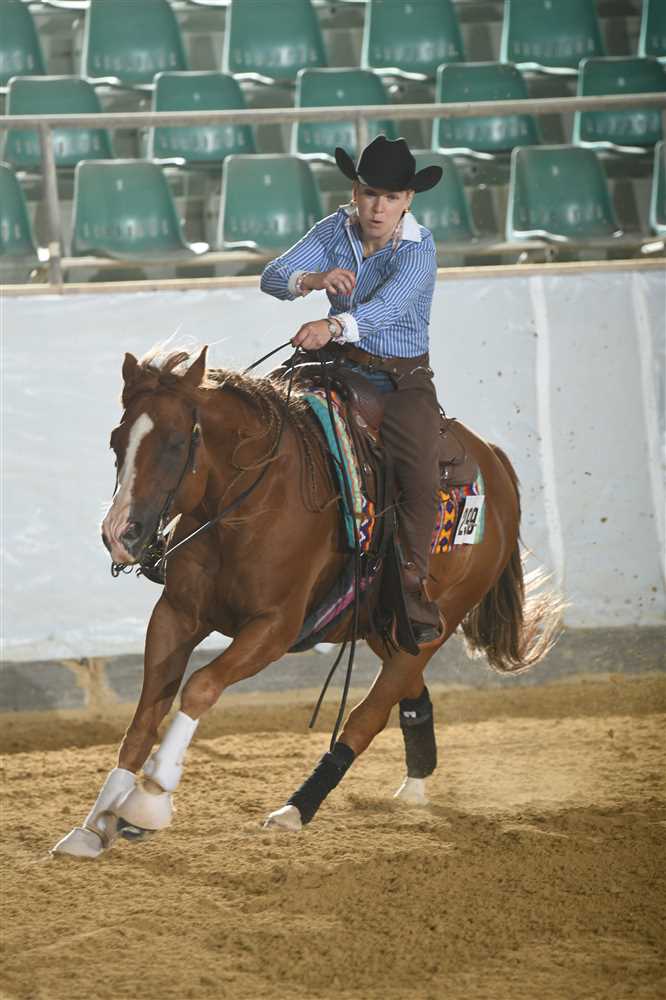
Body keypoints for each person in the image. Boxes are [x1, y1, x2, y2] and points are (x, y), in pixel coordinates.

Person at [260, 135, 444, 645]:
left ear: (408, 200)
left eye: (390, 197)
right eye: (369, 195)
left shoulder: (419, 248)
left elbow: (388, 308)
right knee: (265, 420)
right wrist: (312, 278)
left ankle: (411, 586)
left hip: (400, 378)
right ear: (355, 193)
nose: (377, 208)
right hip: (336, 366)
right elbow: (271, 277)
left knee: (417, 472)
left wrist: (333, 325)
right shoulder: (332, 229)